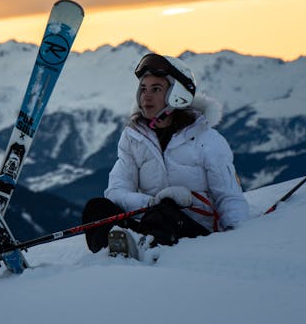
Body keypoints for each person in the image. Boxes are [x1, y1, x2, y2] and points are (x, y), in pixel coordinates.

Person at [83, 52, 249, 257]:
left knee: (165, 211)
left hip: (194, 231)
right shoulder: (133, 139)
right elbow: (116, 191)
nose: (146, 96)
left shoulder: (207, 139)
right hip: (149, 223)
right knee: (96, 208)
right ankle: (113, 252)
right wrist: (150, 203)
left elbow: (229, 196)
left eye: (156, 89)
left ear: (177, 95)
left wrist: (238, 234)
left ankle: (136, 249)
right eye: (143, 89)